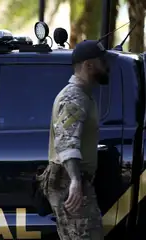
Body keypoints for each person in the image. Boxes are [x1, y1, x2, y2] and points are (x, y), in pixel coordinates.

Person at [46, 40, 111, 240]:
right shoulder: (74, 97)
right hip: (69, 180)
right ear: (88, 65)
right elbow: (66, 142)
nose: (106, 66)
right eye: (102, 61)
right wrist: (75, 180)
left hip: (73, 179)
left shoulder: (83, 95)